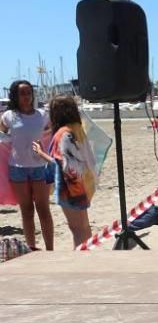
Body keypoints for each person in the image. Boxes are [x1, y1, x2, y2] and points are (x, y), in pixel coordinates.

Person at [31, 96, 97, 248]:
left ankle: (81, 266)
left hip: (70, 188)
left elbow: (64, 165)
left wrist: (41, 153)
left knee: (77, 229)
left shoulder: (63, 134)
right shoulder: (77, 128)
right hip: (83, 184)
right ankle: (89, 261)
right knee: (84, 227)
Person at [0, 80, 53, 250]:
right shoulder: (8, 116)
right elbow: (2, 135)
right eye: (22, 93)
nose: (26, 96)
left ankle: (50, 249)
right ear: (15, 95)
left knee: (44, 210)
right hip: (17, 169)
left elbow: (52, 133)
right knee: (27, 211)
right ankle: (31, 248)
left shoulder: (42, 115)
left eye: (29, 92)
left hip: (40, 168)